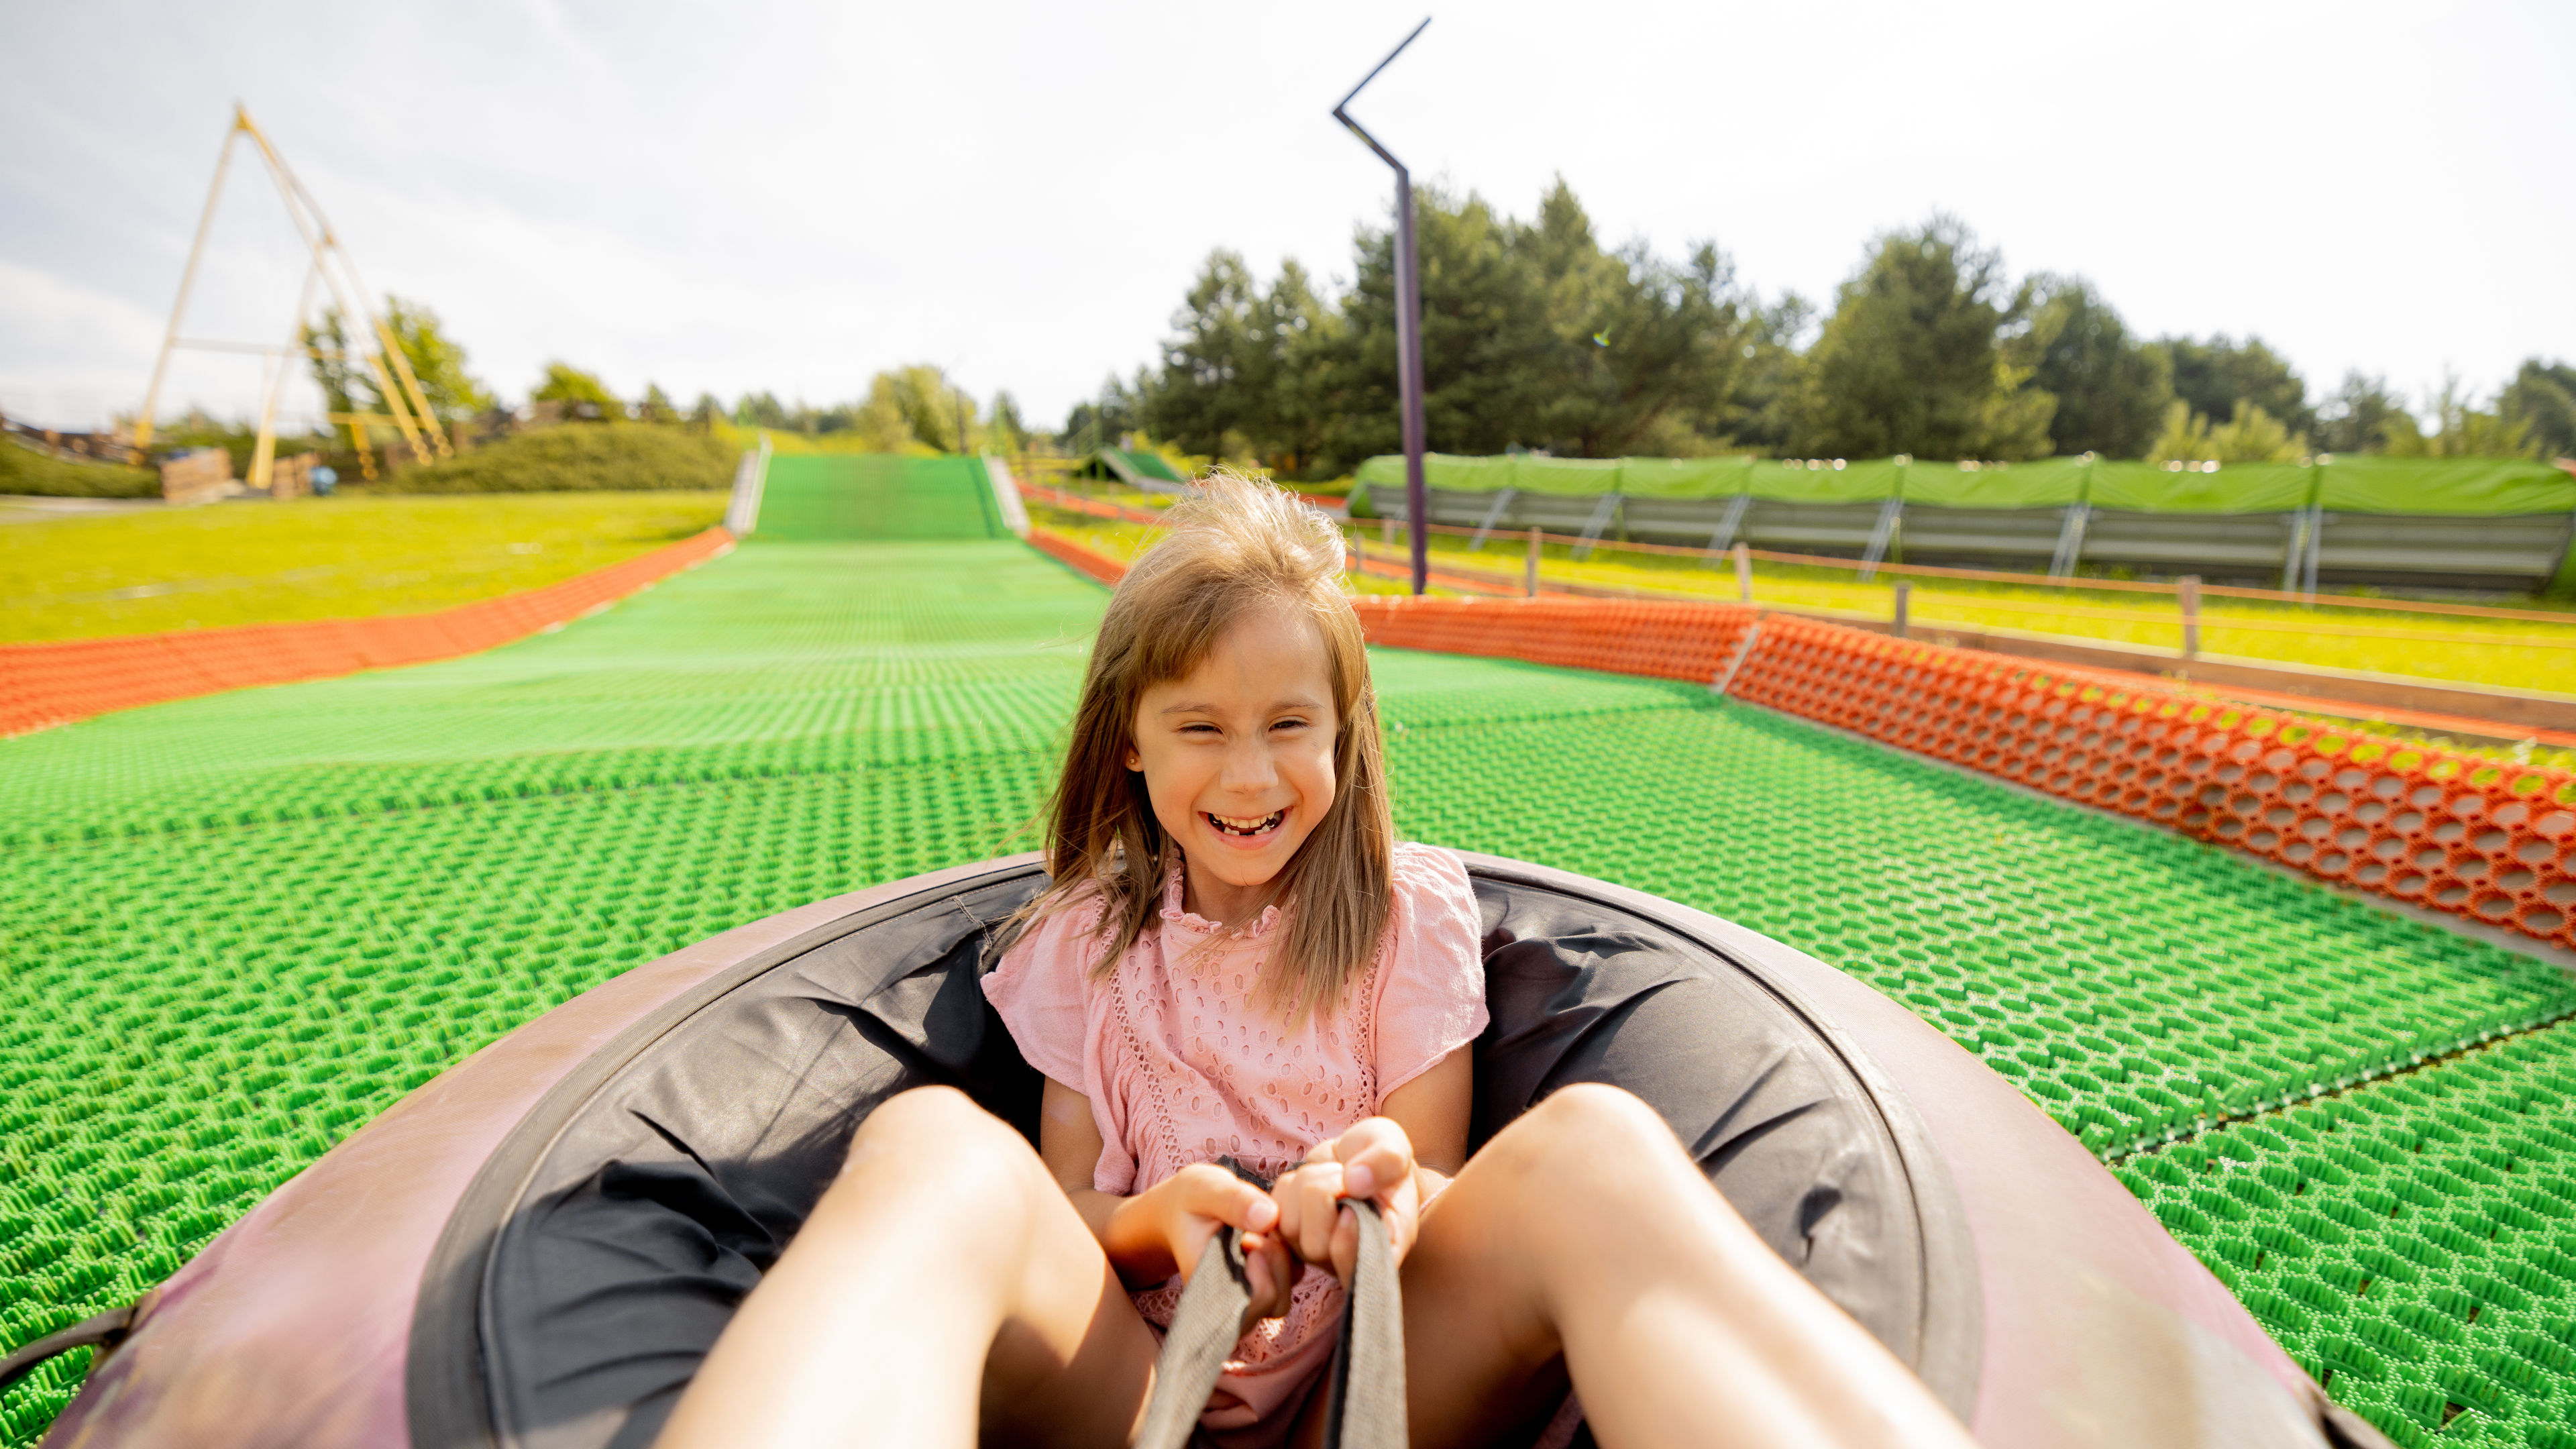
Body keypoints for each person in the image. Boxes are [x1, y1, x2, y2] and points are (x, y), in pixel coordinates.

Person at [657, 474, 1974, 1449]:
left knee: (1598, 1150)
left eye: (1291, 724)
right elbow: (1062, 1218)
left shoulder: (1406, 920)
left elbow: (1434, 1180)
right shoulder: (1083, 949)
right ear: (1131, 743)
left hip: (1377, 1386)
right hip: (1133, 1395)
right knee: (935, 1151)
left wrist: (1378, 1194)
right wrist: (1148, 1225)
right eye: (1201, 728)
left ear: (1346, 734)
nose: (1249, 775)